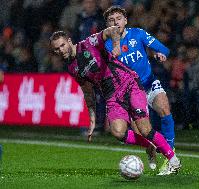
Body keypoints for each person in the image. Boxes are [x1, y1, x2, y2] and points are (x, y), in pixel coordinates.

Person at [49, 26, 181, 176]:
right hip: (111, 96)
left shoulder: (89, 43)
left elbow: (112, 30)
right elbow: (87, 91)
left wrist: (116, 46)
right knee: (118, 132)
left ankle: (173, 160)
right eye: (57, 49)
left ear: (69, 41)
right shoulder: (72, 68)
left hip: (129, 84)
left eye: (62, 45)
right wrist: (92, 117)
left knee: (145, 129)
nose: (61, 50)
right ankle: (149, 146)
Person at [103, 6, 175, 173]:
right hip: (131, 93)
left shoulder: (138, 34)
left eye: (118, 19)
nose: (115, 22)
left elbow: (163, 48)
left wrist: (159, 54)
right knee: (144, 134)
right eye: (111, 20)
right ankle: (151, 151)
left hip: (149, 83)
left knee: (164, 109)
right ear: (107, 25)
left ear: (125, 21)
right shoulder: (106, 46)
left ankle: (169, 157)